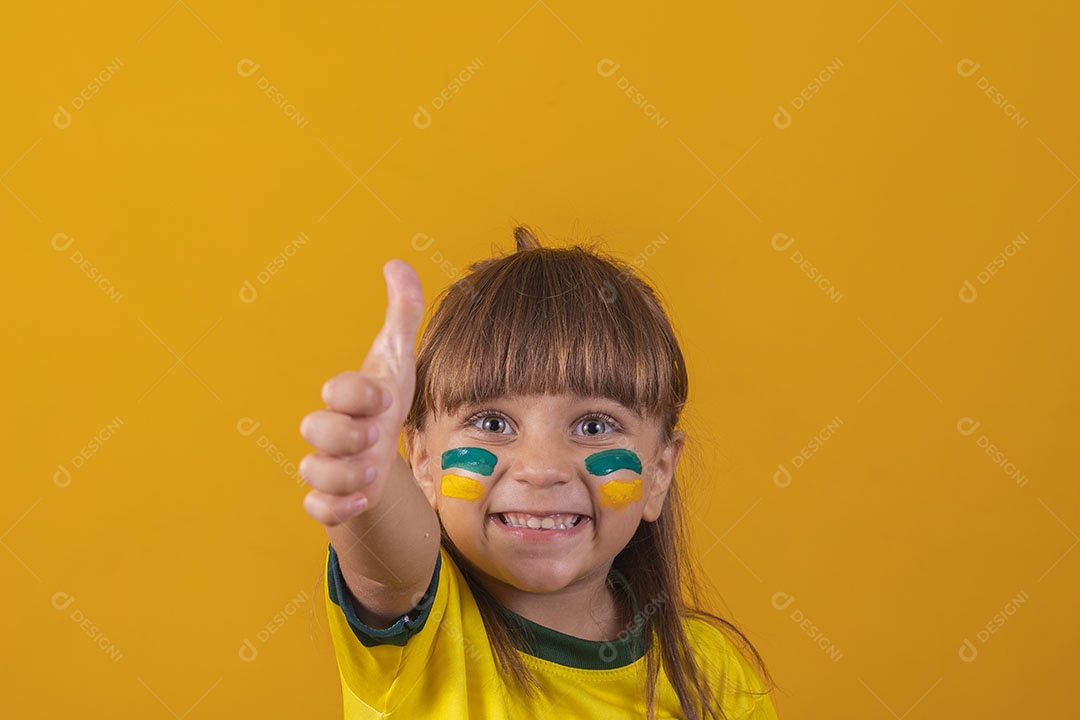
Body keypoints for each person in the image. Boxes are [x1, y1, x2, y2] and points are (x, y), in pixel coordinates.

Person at [299, 226, 778, 719]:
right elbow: (389, 556)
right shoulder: (422, 631)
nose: (542, 469)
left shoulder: (714, 672)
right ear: (421, 460)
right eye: (491, 423)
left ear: (658, 472)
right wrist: (370, 472)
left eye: (594, 425)